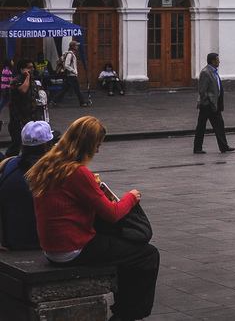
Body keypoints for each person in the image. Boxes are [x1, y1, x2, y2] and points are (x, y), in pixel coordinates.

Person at [25, 116, 159, 321]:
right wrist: (131, 197)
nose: (98, 150)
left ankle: (124, 306)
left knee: (123, 248)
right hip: (73, 249)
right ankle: (128, 313)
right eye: (97, 145)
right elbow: (112, 214)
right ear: (87, 145)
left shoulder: (47, 165)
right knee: (147, 254)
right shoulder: (77, 172)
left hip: (52, 248)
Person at [0, 121, 53, 250]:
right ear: (47, 146)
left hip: (10, 238)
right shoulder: (49, 172)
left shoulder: (9, 164)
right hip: (34, 241)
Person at [194, 52, 235, 154]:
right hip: (207, 105)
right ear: (212, 61)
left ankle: (224, 146)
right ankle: (197, 148)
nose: (219, 61)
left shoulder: (214, 72)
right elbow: (202, 90)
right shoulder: (205, 72)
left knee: (219, 125)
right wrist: (208, 102)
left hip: (214, 104)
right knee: (201, 126)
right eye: (217, 59)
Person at [6, 60, 45, 158]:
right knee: (16, 144)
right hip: (17, 118)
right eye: (29, 67)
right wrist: (27, 77)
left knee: (28, 145)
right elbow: (23, 90)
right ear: (22, 69)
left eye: (32, 67)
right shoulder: (16, 80)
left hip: (29, 118)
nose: (31, 69)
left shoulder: (33, 81)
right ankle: (6, 164)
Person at [52, 40, 89, 107]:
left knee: (64, 89)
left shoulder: (72, 54)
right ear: (73, 47)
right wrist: (74, 71)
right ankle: (82, 102)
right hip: (71, 75)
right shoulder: (70, 54)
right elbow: (66, 65)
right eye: (76, 45)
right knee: (77, 89)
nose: (77, 47)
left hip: (70, 75)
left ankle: (54, 100)